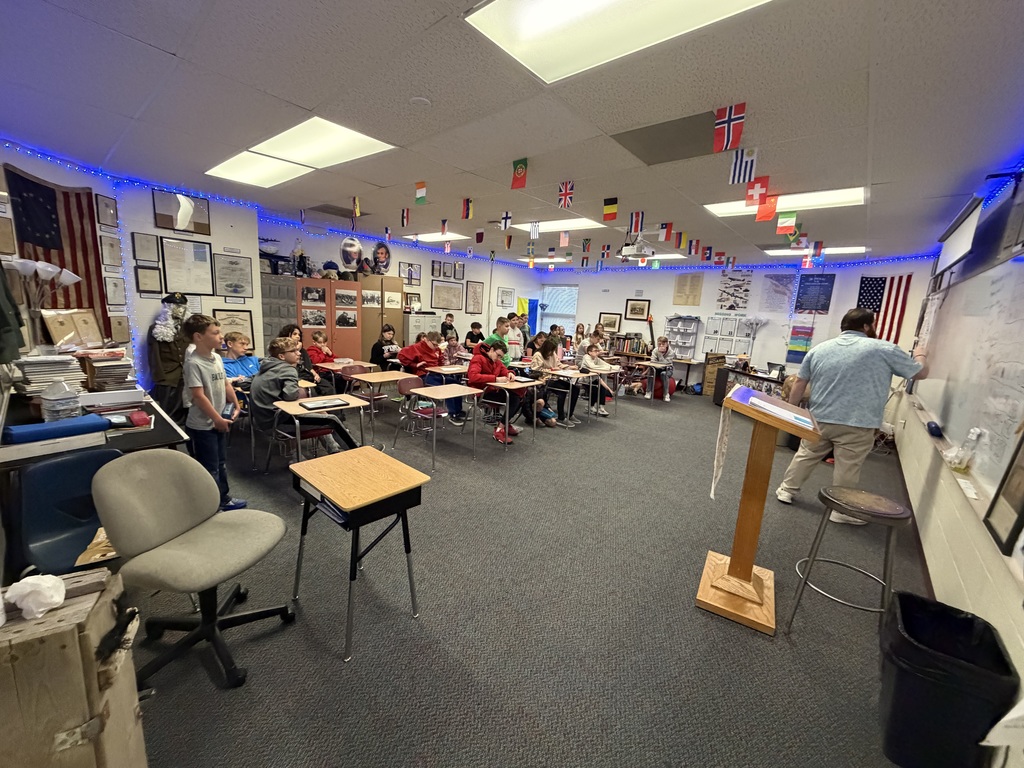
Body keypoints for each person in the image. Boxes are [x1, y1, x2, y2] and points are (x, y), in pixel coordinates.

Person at [775, 307, 929, 523]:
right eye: (872, 325)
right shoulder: (884, 349)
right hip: (858, 422)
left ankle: (786, 490)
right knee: (848, 466)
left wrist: (792, 410)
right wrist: (921, 354)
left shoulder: (820, 349)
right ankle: (840, 511)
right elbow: (920, 372)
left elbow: (800, 382)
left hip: (820, 417)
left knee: (806, 454)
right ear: (866, 326)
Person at [180, 314, 246, 510]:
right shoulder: (193, 363)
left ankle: (223, 499)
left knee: (221, 463)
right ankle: (210, 507)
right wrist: (216, 419)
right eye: (215, 333)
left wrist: (236, 405)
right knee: (209, 468)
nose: (221, 336)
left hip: (218, 422)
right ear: (198, 337)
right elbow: (198, 396)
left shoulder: (217, 357)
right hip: (202, 426)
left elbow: (225, 383)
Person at [249, 336, 357, 452]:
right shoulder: (287, 369)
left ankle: (334, 450)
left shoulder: (265, 366)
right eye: (294, 351)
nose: (299, 353)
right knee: (332, 420)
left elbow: (246, 383)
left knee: (319, 414)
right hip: (277, 422)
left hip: (263, 421)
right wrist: (295, 384)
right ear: (281, 356)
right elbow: (290, 396)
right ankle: (357, 450)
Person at [398, 331, 468, 426]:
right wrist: (414, 364)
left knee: (456, 384)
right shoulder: (416, 347)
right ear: (427, 340)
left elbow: (440, 361)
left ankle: (458, 411)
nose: (436, 347)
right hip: (424, 375)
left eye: (437, 345)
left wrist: (443, 366)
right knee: (447, 388)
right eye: (434, 344)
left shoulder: (437, 349)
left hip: (437, 374)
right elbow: (401, 355)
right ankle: (453, 414)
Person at [467, 340, 522, 444]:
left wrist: (510, 373)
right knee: (514, 399)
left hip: (492, 390)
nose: (499, 359)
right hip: (480, 393)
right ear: (491, 350)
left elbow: (504, 370)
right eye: (498, 355)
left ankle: (503, 424)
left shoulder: (497, 361)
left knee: (520, 395)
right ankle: (499, 429)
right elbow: (473, 376)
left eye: (501, 357)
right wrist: (495, 379)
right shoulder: (478, 358)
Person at [276, 324, 335, 396]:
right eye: (294, 334)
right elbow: (291, 366)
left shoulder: (303, 351)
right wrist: (296, 349)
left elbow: (309, 366)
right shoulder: (281, 351)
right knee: (312, 391)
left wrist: (315, 374)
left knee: (328, 387)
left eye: (299, 334)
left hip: (307, 375)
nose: (298, 336)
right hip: (295, 376)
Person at [532, 338, 579, 427]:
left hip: (554, 378)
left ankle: (570, 414)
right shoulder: (538, 355)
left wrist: (569, 367)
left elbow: (559, 364)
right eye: (550, 350)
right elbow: (536, 370)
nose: (551, 353)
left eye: (552, 351)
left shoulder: (552, 353)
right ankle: (561, 417)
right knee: (562, 391)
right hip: (545, 379)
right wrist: (551, 369)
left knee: (575, 389)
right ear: (546, 348)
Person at [579, 344, 615, 417]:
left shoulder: (596, 359)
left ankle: (600, 407)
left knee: (602, 387)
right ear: (589, 352)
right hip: (585, 380)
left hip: (594, 379)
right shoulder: (586, 357)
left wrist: (614, 367)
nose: (597, 352)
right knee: (595, 388)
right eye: (595, 351)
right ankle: (591, 406)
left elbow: (605, 365)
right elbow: (592, 366)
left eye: (598, 351)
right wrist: (603, 368)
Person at [646, 336, 674, 402]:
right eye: (659, 344)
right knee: (651, 371)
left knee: (664, 374)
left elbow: (666, 363)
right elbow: (653, 361)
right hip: (656, 368)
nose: (661, 346)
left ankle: (666, 394)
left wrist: (660, 355)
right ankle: (648, 391)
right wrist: (658, 364)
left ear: (667, 344)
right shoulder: (655, 350)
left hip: (668, 369)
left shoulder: (671, 352)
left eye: (663, 344)